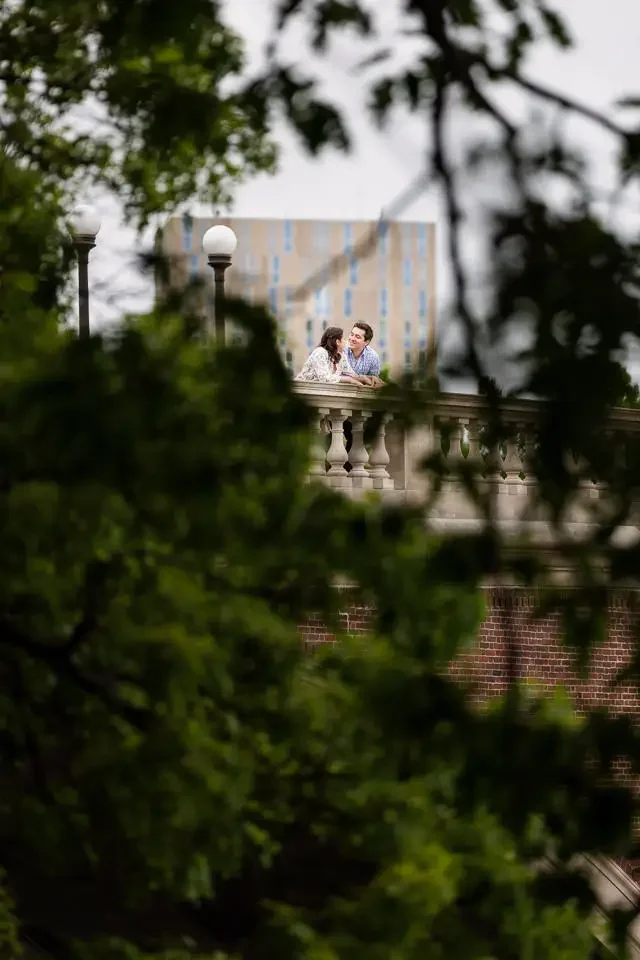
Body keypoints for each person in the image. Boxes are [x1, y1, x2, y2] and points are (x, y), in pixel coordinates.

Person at [295, 327, 364, 385]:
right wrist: (349, 380)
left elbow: (351, 374)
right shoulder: (320, 352)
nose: (346, 342)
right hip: (301, 391)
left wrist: (366, 378)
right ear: (337, 342)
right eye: (343, 339)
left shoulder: (341, 356)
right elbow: (324, 378)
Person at [342, 322, 384, 387]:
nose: (352, 338)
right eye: (352, 334)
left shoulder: (373, 357)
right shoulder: (340, 349)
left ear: (366, 342)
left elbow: (373, 382)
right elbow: (332, 375)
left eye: (357, 337)